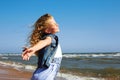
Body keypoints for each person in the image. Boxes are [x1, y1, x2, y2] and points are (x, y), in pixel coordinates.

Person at [21, 13, 62, 80]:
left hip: (40, 72)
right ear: (47, 30)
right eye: (54, 23)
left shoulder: (45, 38)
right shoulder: (51, 38)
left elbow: (41, 45)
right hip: (46, 73)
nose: (57, 24)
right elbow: (44, 42)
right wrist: (34, 48)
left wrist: (32, 51)